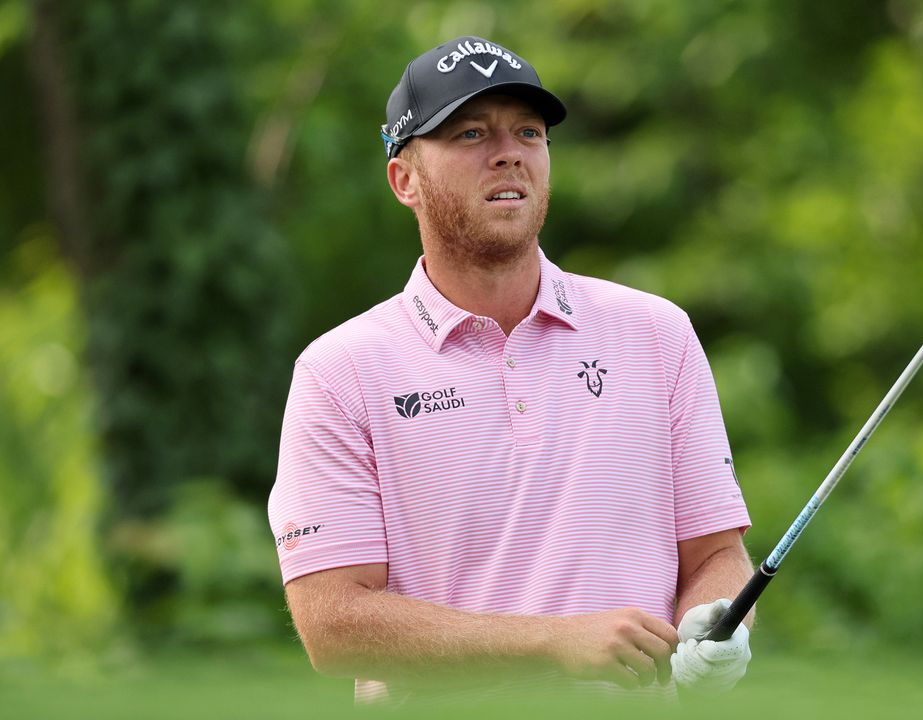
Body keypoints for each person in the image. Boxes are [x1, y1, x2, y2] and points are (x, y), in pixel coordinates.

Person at [267, 35, 754, 704]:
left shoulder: (656, 334)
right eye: (470, 133)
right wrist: (552, 645)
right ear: (404, 179)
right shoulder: (341, 371)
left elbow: (716, 557)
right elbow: (334, 623)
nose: (508, 152)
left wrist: (719, 622)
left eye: (529, 131)